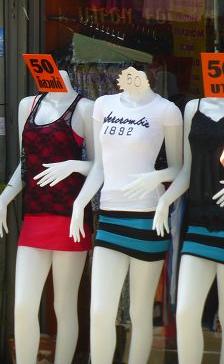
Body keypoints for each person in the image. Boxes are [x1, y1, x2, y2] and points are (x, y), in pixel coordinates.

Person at [70, 67, 182, 364]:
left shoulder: (166, 110)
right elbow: (99, 166)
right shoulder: (104, 105)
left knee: (140, 312)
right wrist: (79, 203)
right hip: (109, 219)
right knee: (99, 311)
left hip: (148, 219)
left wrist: (156, 178)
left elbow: (178, 168)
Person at [0, 70, 95, 364]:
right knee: (23, 305)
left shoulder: (84, 108)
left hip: (70, 218)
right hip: (35, 216)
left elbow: (100, 166)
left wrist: (73, 165)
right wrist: (3, 198)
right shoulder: (28, 105)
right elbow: (25, 164)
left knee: (64, 306)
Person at [153, 97, 224, 363]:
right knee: (184, 313)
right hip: (199, 222)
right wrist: (165, 200)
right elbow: (187, 169)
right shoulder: (193, 107)